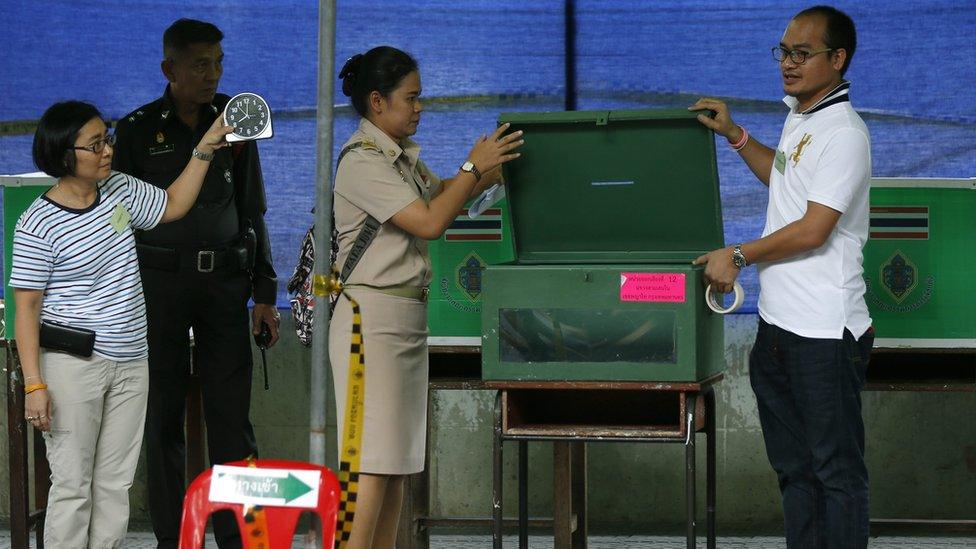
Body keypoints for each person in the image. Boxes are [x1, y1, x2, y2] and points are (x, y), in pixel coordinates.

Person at [689, 5, 873, 548]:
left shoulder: (845, 133)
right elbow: (788, 184)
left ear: (837, 59)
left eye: (803, 53)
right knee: (795, 473)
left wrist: (739, 255)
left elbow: (815, 228)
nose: (788, 64)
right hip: (778, 328)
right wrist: (736, 135)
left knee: (836, 474)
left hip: (824, 334)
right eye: (784, 52)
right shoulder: (803, 117)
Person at [12, 100, 231, 548]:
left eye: (106, 139)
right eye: (94, 145)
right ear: (63, 153)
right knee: (72, 486)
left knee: (114, 486)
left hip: (132, 362)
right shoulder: (37, 223)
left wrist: (206, 145)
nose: (107, 150)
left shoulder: (120, 190)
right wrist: (34, 384)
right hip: (74, 366)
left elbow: (172, 205)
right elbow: (27, 309)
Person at [330, 46, 523, 548]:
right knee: (369, 465)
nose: (419, 108)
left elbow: (449, 201)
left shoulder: (401, 161)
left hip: (403, 318)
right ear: (377, 101)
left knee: (395, 465)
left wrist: (491, 174)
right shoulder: (361, 161)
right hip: (368, 322)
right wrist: (472, 168)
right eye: (411, 98)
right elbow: (431, 222)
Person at [111, 18, 278, 549]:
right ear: (170, 69)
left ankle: (236, 539)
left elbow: (252, 209)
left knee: (233, 422)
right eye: (201, 63)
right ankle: (174, 536)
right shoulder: (136, 130)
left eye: (219, 62)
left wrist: (265, 294)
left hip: (225, 287)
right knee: (162, 419)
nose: (213, 74)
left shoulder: (236, 122)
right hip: (156, 287)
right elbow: (117, 220)